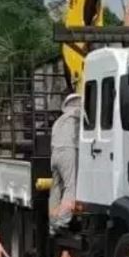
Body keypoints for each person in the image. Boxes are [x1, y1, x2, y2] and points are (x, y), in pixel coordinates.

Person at [49, 93, 81, 234]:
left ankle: (52, 222)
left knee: (56, 189)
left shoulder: (59, 121)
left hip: (55, 153)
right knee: (70, 187)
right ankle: (63, 221)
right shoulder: (77, 114)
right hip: (68, 152)